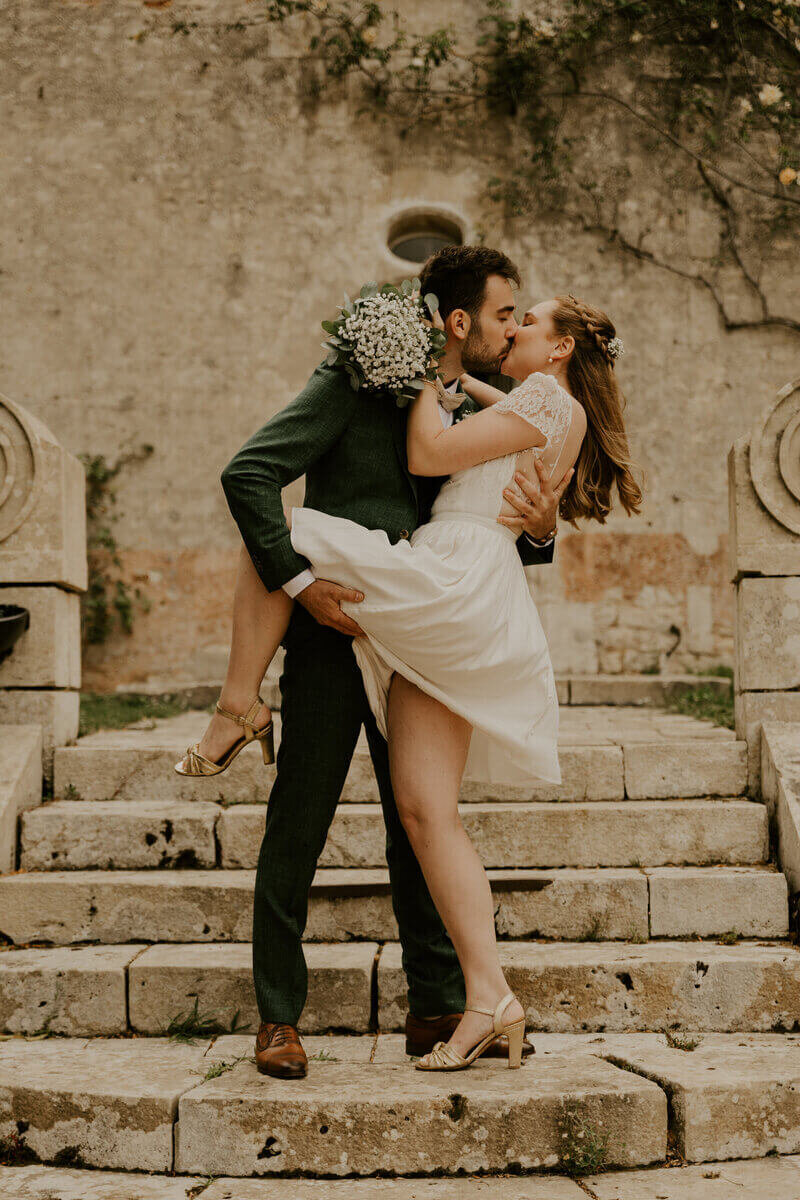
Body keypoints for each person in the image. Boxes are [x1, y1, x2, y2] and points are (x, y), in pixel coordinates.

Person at [177, 247, 590, 1078]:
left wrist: (544, 524)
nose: (512, 330)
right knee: (302, 815)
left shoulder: (499, 402)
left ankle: (439, 1001)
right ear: (460, 320)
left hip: (433, 621)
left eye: (522, 317)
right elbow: (251, 473)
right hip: (341, 628)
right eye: (504, 315)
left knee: (421, 819)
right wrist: (301, 587)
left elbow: (500, 523)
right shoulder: (355, 376)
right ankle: (279, 1018)